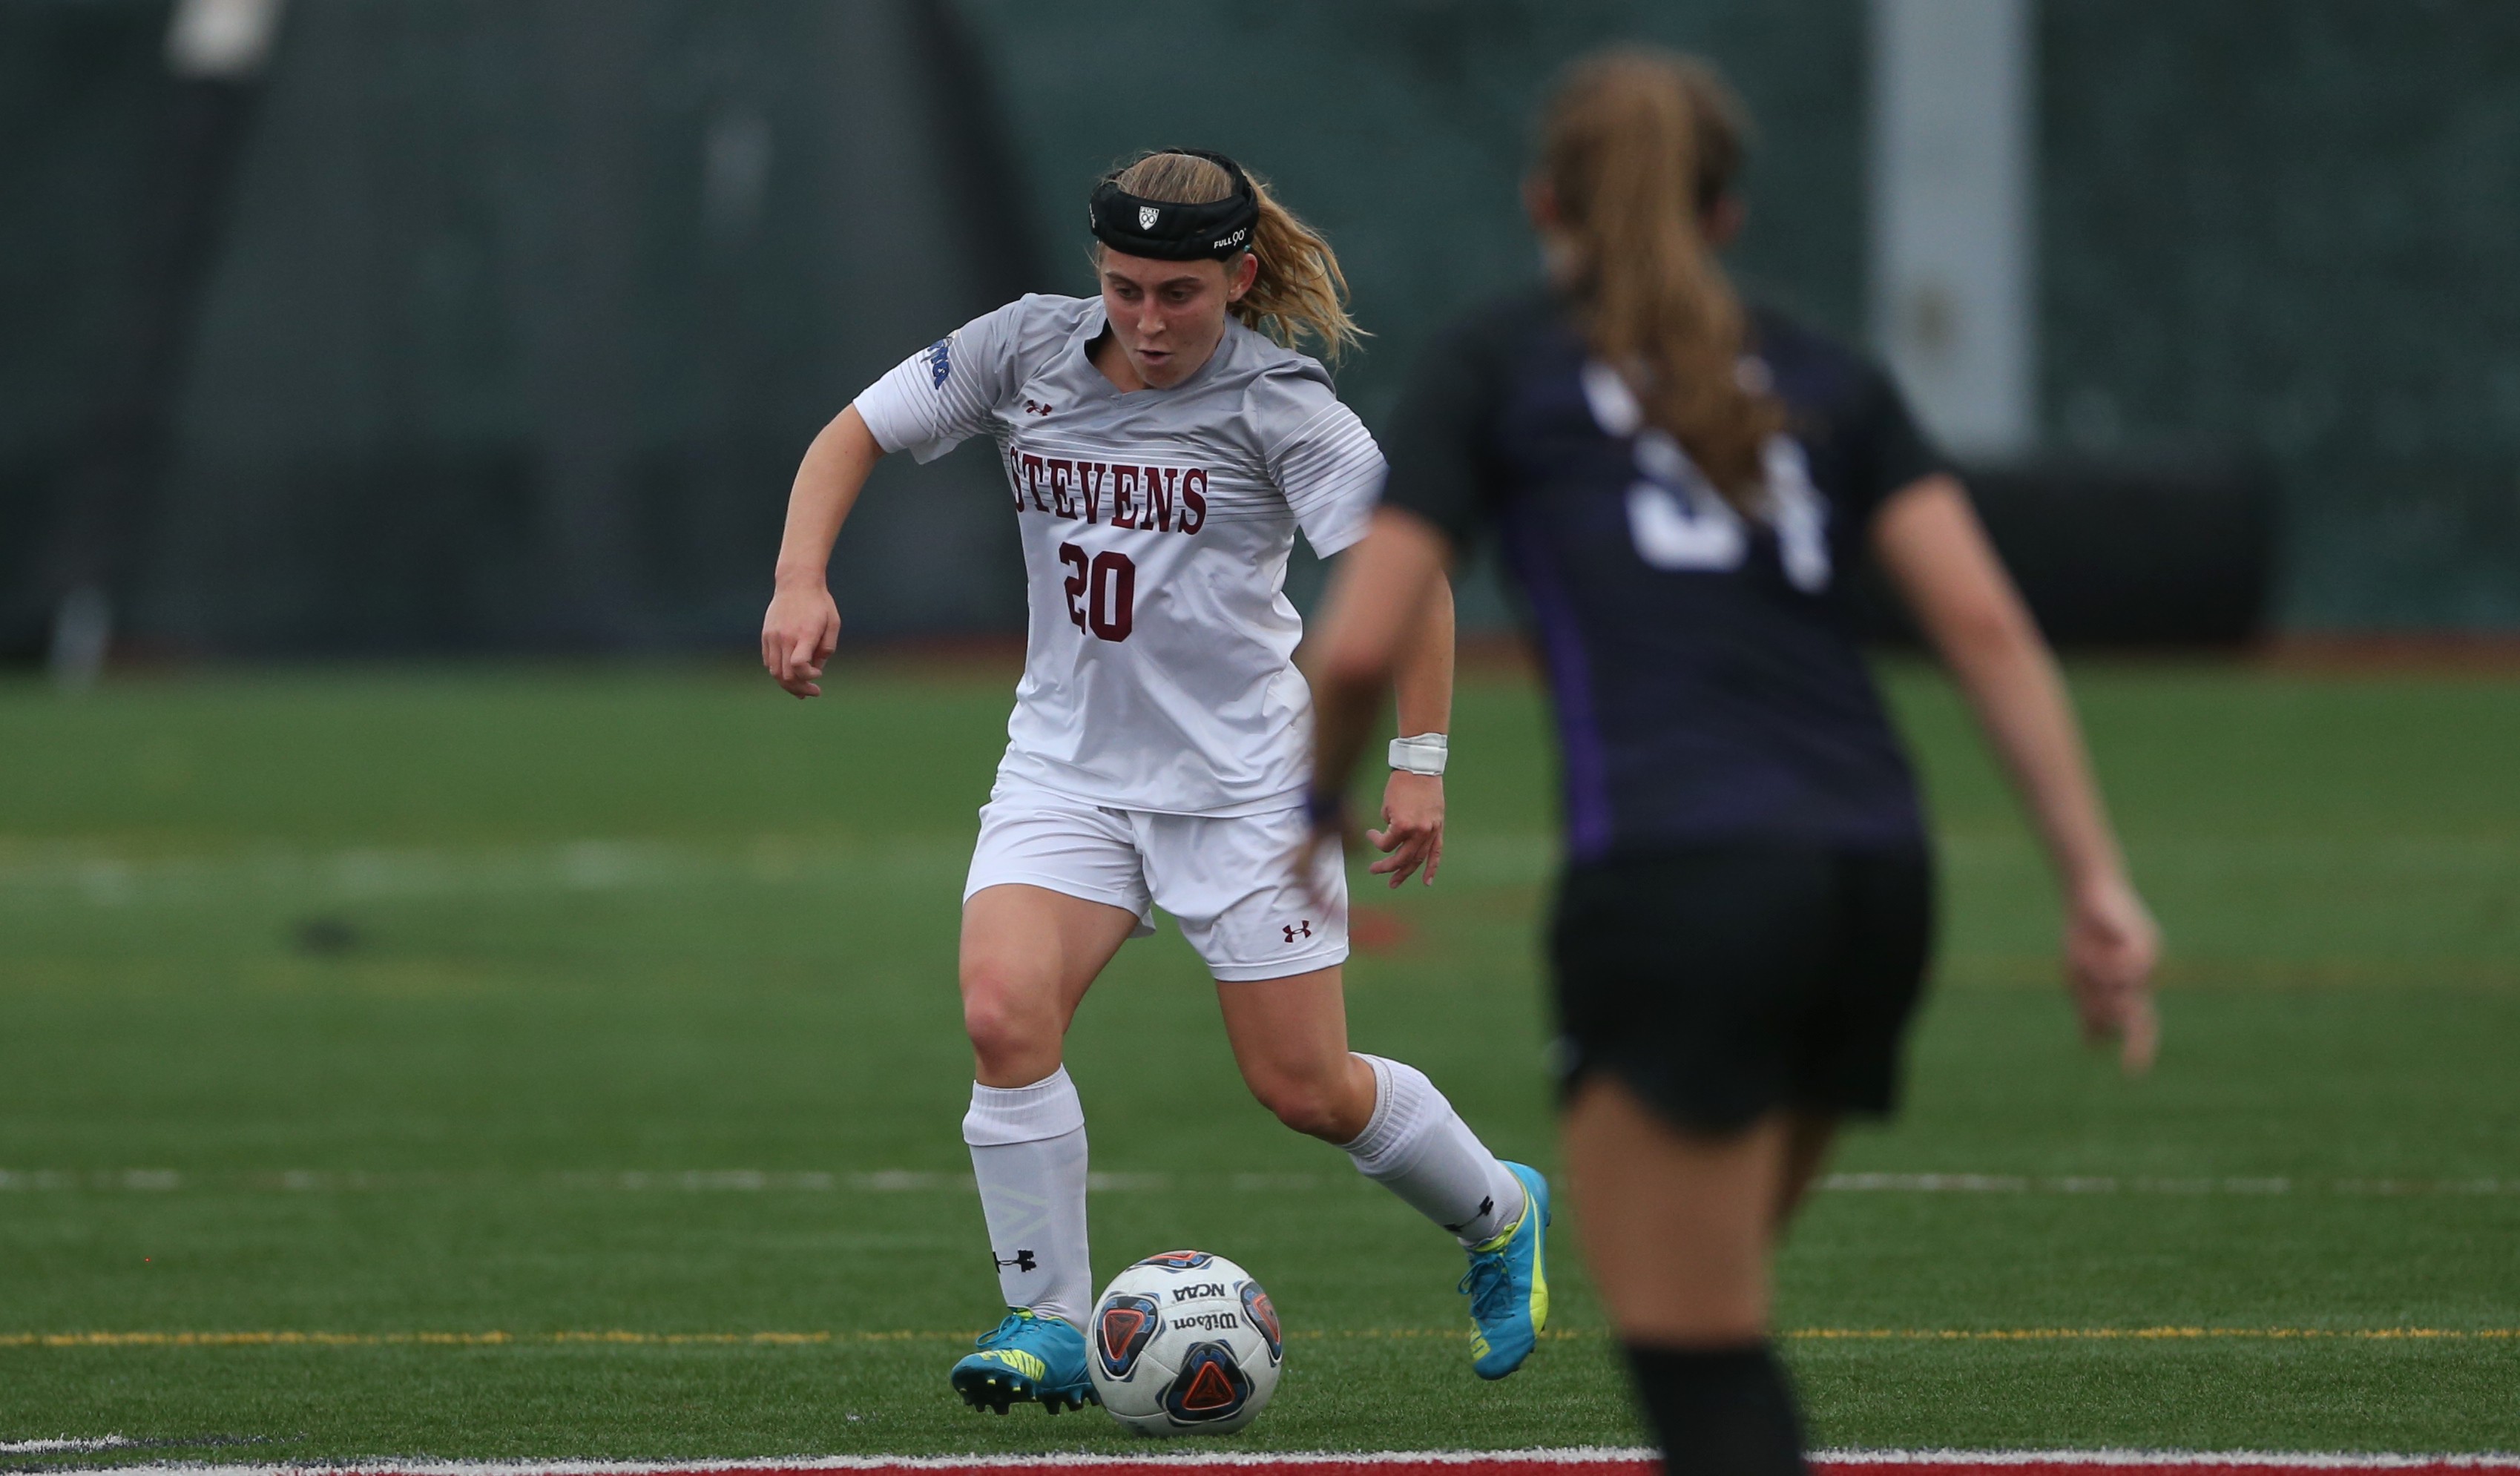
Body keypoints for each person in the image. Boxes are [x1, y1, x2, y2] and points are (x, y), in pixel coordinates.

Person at [1300, 50, 2161, 1475]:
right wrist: (2095, 885)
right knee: (1717, 1307)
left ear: (1542, 204)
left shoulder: (1501, 363)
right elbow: (1988, 630)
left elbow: (1348, 649)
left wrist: (1313, 802)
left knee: (1701, 1376)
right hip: (1878, 880)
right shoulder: (1826, 375)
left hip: (1681, 881)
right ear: (1727, 217)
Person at [760, 148, 1550, 1416]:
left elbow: (1412, 577)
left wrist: (1420, 762)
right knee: (1000, 1011)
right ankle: (1052, 1319)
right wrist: (802, 578)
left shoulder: (1285, 408)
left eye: (1178, 292)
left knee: (1306, 1088)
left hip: (1243, 791)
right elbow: (850, 434)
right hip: (1064, 773)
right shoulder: (1022, 348)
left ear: (1237, 277)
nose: (1147, 318)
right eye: (1124, 287)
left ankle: (1500, 1210)